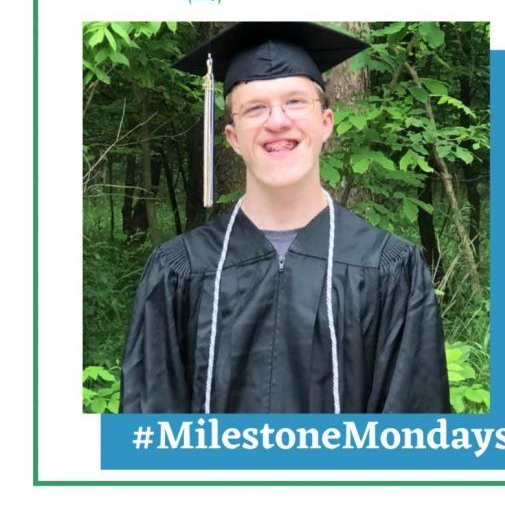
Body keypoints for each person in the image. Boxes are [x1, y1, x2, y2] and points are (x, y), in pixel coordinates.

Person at [119, 22, 450, 414]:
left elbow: (415, 432)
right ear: (232, 137)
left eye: (295, 102)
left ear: (326, 123)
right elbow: (148, 432)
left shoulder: (390, 269)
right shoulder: (179, 271)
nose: (277, 121)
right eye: (255, 107)